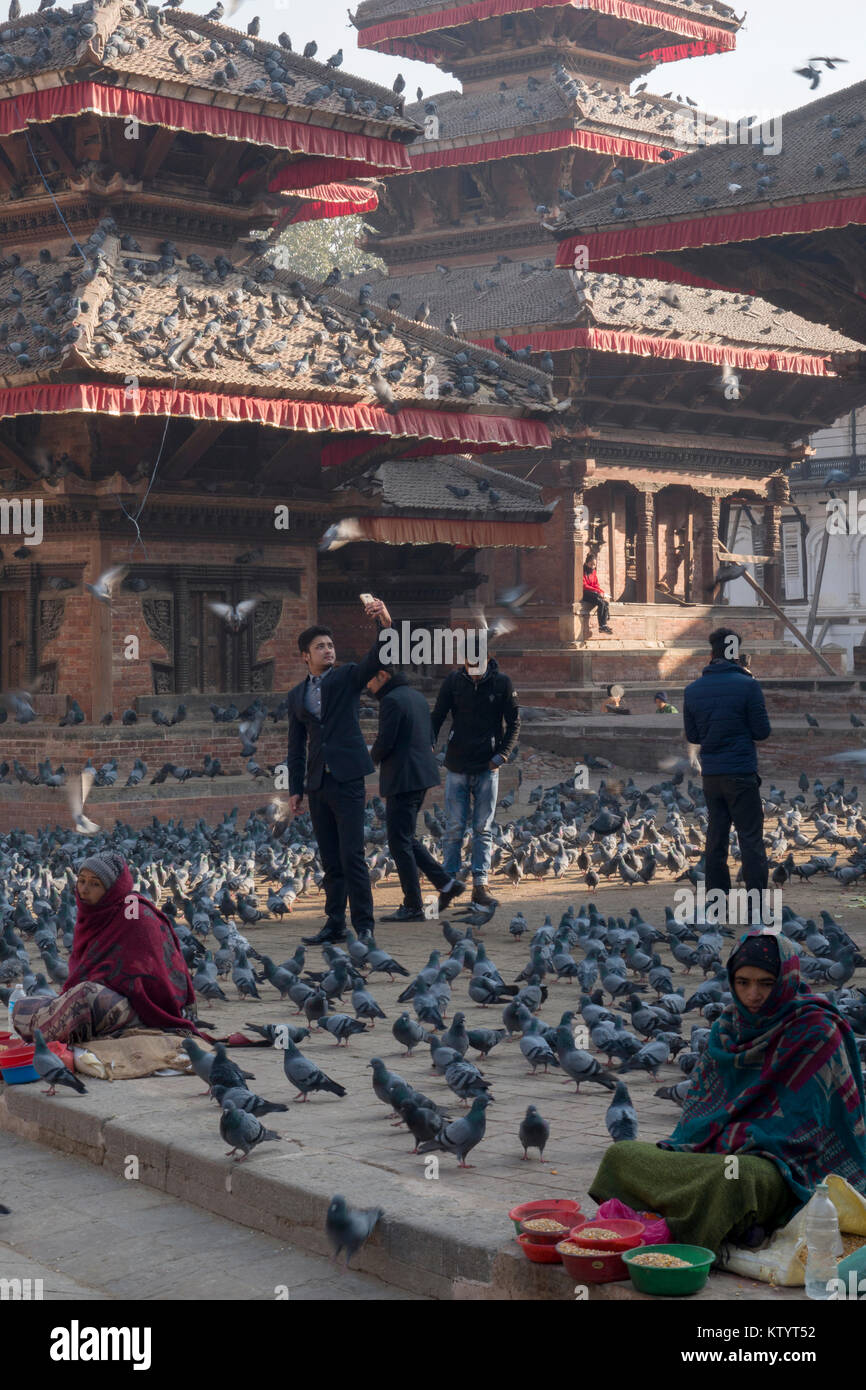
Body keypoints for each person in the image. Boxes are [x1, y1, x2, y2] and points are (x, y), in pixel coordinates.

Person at [588, 931, 866, 1256]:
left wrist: (743, 1141)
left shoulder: (818, 1030)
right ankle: (730, 1224)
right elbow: (698, 1114)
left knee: (733, 1179)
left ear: (786, 980)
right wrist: (715, 1147)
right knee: (621, 1157)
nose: (753, 994)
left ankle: (698, 1224)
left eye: (766, 983)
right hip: (716, 1151)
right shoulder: (727, 1028)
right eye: (743, 982)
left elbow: (807, 1130)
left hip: (783, 1165)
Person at [287, 595, 392, 945]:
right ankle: (334, 924)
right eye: (321, 647)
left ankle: (364, 925)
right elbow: (296, 743)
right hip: (317, 783)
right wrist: (295, 789)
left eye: (331, 645)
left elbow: (378, 655)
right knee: (330, 858)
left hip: (347, 779)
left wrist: (384, 622)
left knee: (353, 855)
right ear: (306, 655)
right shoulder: (296, 695)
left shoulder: (347, 677)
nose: (328, 650)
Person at [12, 852, 200, 1044]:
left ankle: (44, 1036)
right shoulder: (92, 915)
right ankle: (49, 1032)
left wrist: (100, 981)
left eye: (95, 884)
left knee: (83, 997)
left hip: (143, 1005)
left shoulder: (134, 910)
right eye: (82, 881)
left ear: (113, 888)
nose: (84, 890)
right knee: (23, 1006)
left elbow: (143, 971)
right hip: (101, 996)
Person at [683, 627, 770, 922]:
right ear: (736, 654)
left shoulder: (692, 690)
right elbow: (762, 732)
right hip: (741, 774)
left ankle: (718, 910)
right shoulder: (749, 686)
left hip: (712, 777)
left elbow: (693, 734)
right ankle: (755, 910)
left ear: (711, 654)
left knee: (716, 841)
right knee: (751, 841)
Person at [366, 666, 464, 922]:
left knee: (399, 842)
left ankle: (413, 905)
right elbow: (429, 735)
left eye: (370, 681)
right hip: (420, 776)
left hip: (404, 778)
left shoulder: (391, 700)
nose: (368, 687)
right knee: (405, 838)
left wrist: (366, 763)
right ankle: (446, 884)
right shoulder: (415, 696)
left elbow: (386, 742)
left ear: (383, 675)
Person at [431, 646, 520, 907]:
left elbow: (514, 722)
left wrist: (502, 755)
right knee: (454, 828)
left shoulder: (502, 683)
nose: (475, 670)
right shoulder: (453, 681)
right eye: (470, 663)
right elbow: (437, 715)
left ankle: (480, 884)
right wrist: (429, 743)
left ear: (489, 657)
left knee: (482, 829)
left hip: (487, 765)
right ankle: (448, 884)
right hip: (457, 763)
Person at [582, 557, 613, 634]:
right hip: (585, 594)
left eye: (594, 565)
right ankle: (601, 626)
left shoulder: (593, 572)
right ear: (586, 563)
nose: (592, 566)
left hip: (593, 593)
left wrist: (602, 592)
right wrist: (597, 591)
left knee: (606, 603)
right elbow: (584, 586)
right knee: (601, 603)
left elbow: (596, 585)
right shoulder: (582, 572)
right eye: (591, 564)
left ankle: (604, 625)